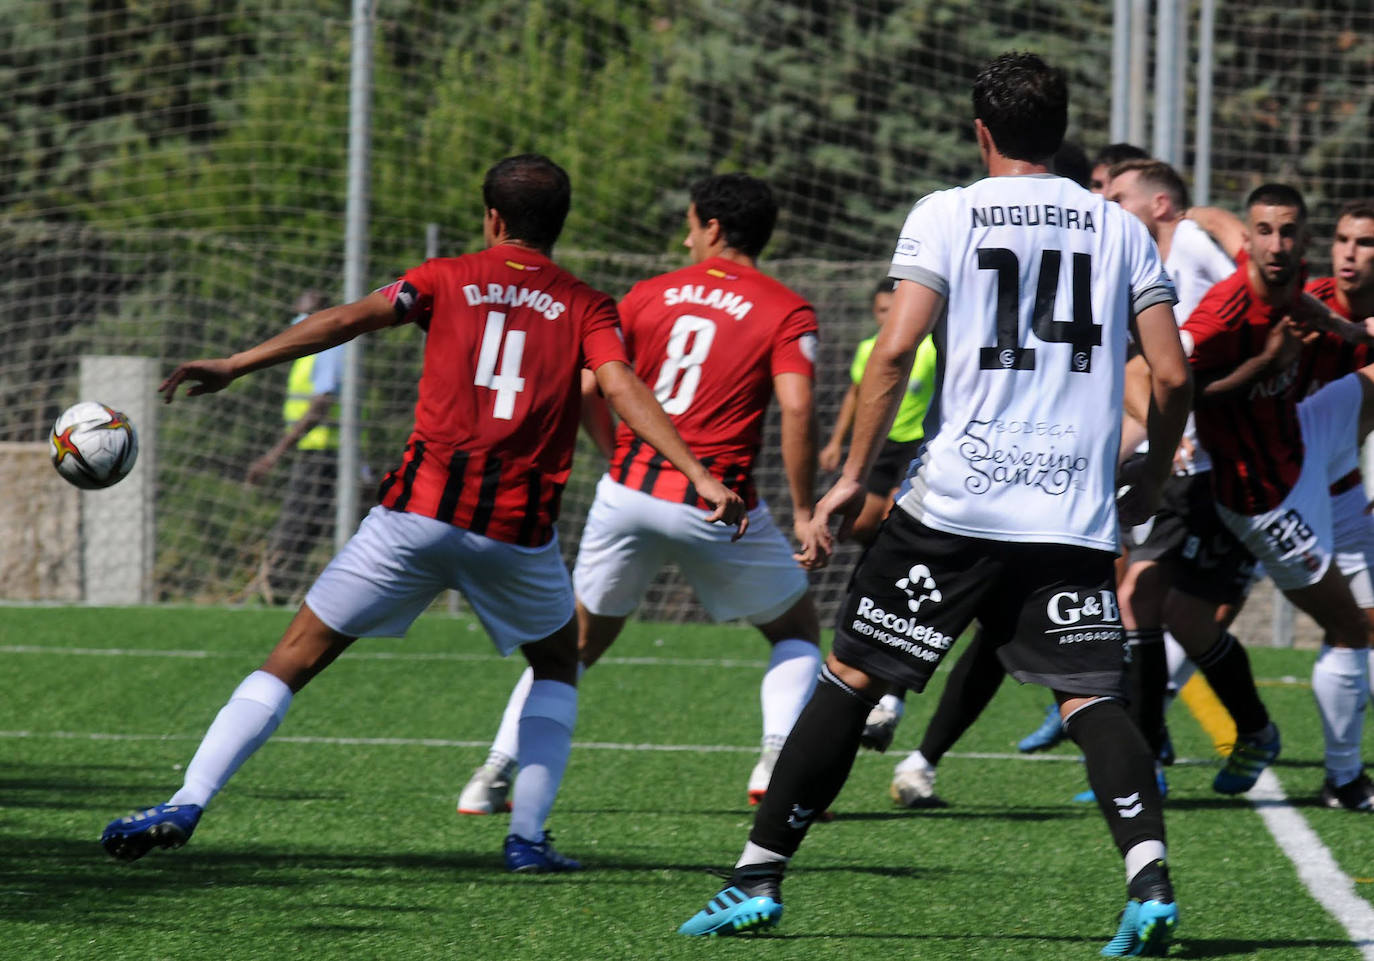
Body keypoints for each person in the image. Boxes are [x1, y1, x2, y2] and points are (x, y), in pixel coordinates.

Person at [99, 154, 747, 874]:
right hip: (513, 533)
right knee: (558, 662)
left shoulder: (444, 277)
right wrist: (697, 474)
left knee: (294, 655)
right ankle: (527, 838)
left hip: (413, 516)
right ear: (557, 225)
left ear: (492, 217)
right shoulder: (587, 304)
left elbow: (345, 320)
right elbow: (620, 387)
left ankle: (188, 798)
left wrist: (235, 362)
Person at [678, 53, 1191, 957]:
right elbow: (1176, 374)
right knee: (1090, 698)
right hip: (1068, 514)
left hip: (955, 507)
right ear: (1061, 127)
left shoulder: (947, 213)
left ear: (982, 131)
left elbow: (893, 352)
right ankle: (1148, 879)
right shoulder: (1119, 231)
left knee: (850, 680)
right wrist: (1148, 476)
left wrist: (849, 478)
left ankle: (755, 876)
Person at [456, 173, 824, 814]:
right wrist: (801, 508)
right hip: (716, 502)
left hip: (627, 491)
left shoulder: (647, 295)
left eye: (690, 224)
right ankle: (776, 763)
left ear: (712, 227)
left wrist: (614, 451)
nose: (686, 237)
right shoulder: (786, 308)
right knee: (795, 629)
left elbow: (587, 386)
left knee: (571, 647)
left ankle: (491, 773)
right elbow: (797, 405)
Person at [1181, 183, 1374, 809]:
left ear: (1302, 240)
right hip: (1263, 498)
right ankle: (1344, 781)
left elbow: (1229, 228)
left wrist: (1344, 327)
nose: (1276, 243)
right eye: (1265, 232)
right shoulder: (1221, 312)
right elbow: (1167, 376)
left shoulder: (1297, 284)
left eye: (1288, 232)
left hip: (1307, 441)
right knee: (1350, 627)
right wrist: (1267, 365)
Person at [241, 289, 343, 604]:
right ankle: (279, 593)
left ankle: (274, 593)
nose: (300, 324)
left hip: (324, 453)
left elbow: (321, 404)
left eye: (306, 316)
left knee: (297, 528)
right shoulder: (314, 349)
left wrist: (273, 456)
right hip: (315, 451)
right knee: (303, 527)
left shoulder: (329, 346)